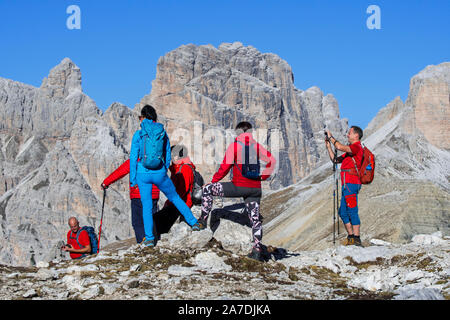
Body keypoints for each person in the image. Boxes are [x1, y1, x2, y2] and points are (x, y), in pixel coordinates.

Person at [193, 121, 276, 261]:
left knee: (207, 189)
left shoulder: (235, 146)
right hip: (255, 189)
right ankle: (256, 250)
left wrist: (213, 182)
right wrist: (263, 177)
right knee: (255, 219)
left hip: (238, 187)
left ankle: (202, 221)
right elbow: (272, 161)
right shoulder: (257, 146)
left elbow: (225, 167)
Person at [130, 105, 198, 247]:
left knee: (147, 206)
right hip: (160, 172)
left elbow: (133, 158)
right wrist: (164, 169)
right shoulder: (162, 131)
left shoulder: (139, 134)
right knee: (175, 198)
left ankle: (149, 239)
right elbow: (167, 154)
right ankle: (194, 222)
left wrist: (133, 180)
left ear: (143, 117)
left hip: (143, 173)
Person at [102, 159, 160, 244]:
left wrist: (106, 183)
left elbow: (120, 171)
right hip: (153, 195)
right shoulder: (157, 159)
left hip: (139, 194)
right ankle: (155, 241)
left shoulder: (136, 160)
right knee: (152, 218)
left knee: (138, 222)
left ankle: (143, 244)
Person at [325, 126, 364, 246]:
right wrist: (328, 147)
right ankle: (351, 236)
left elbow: (339, 147)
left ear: (356, 135)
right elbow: (335, 160)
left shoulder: (356, 147)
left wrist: (331, 137)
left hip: (352, 183)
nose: (347, 135)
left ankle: (356, 239)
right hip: (346, 184)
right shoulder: (349, 152)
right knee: (342, 211)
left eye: (349, 133)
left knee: (352, 210)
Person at [153, 144, 196, 234]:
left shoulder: (184, 168)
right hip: (177, 201)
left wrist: (169, 203)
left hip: (183, 202)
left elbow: (182, 191)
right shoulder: (177, 169)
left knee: (157, 220)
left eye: (172, 155)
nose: (170, 157)